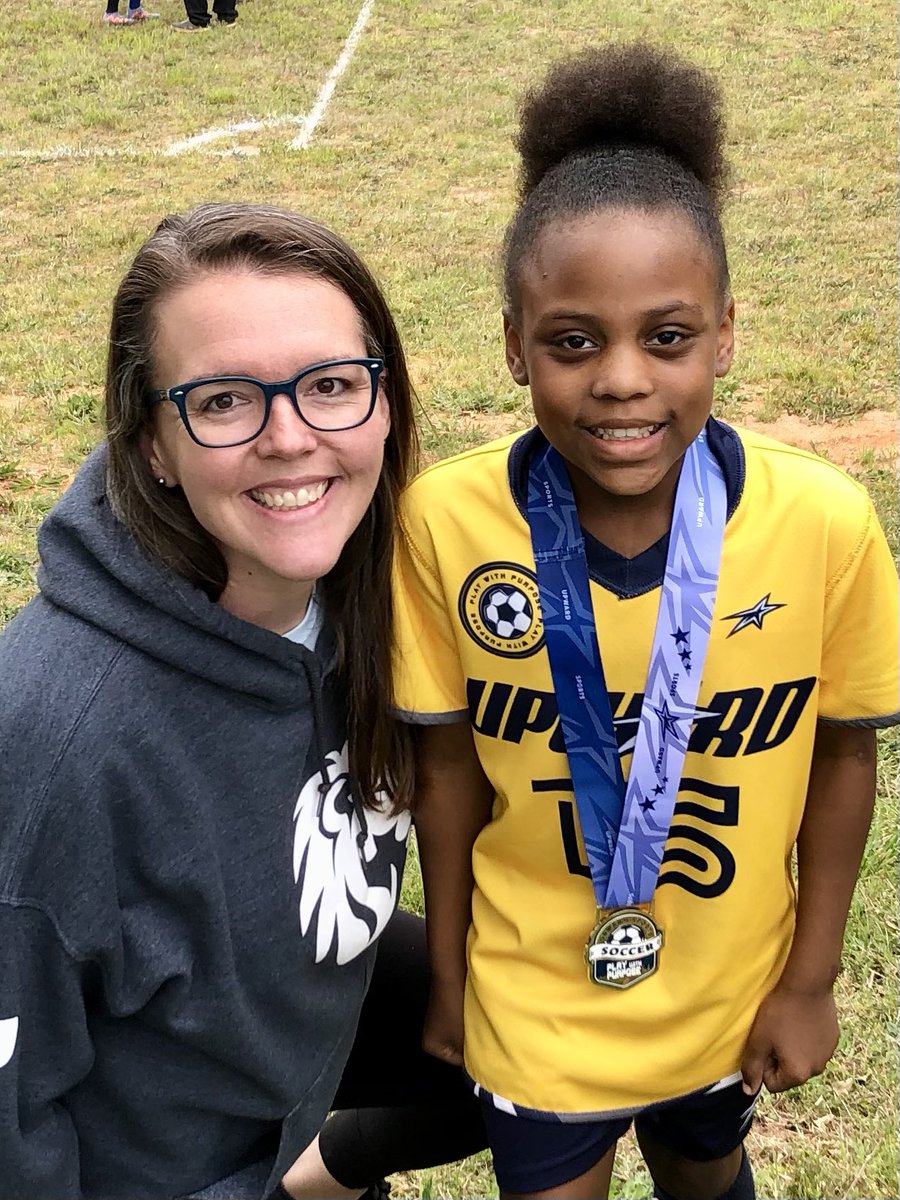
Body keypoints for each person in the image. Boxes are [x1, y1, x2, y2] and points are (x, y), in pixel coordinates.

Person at [392, 42, 899, 1200]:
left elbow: (841, 753)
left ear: (724, 333)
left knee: (705, 1174)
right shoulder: (447, 524)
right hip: (534, 995)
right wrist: (453, 980)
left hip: (732, 986)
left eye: (666, 337)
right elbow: (447, 773)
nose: (622, 378)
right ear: (515, 344)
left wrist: (812, 978)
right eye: (573, 341)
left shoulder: (823, 522)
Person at [0, 202, 485, 1199]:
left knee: (555, 1016)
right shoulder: (59, 744)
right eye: (224, 402)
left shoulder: (385, 591)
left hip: (280, 1053)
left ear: (385, 403)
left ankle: (319, 1175)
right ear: (153, 445)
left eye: (332, 385)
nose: (291, 437)